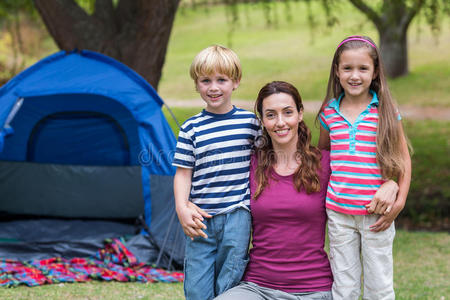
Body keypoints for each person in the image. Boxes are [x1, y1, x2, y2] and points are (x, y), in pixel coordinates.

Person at [216, 81, 333, 300]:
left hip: (314, 288)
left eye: (287, 112)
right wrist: (186, 205)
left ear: (300, 114)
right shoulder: (250, 165)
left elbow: (364, 178)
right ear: (262, 121)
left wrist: (392, 185)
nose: (280, 122)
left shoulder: (325, 164)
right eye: (271, 115)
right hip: (258, 287)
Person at [317, 35, 412, 300]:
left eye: (363, 68)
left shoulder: (385, 109)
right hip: (339, 215)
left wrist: (399, 201)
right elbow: (324, 156)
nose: (354, 75)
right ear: (337, 71)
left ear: (375, 71)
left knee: (379, 286)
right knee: (344, 287)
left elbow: (404, 159)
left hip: (376, 214)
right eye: (347, 68)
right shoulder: (329, 112)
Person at [172, 45, 260, 300]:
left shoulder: (250, 124)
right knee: (196, 286)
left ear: (236, 82)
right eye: (205, 80)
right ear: (196, 84)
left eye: (222, 80)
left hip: (237, 214)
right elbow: (183, 174)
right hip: (201, 218)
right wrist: (182, 208)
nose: (213, 87)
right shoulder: (190, 128)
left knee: (230, 278)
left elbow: (263, 163)